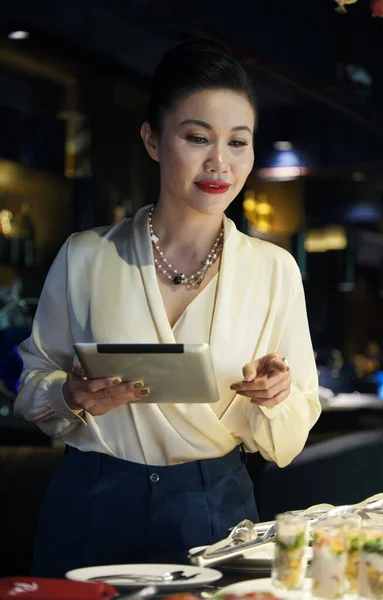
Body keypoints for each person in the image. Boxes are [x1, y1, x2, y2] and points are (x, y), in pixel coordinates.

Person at [14, 38, 321, 577]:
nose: (219, 163)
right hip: (92, 496)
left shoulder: (274, 270)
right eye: (197, 137)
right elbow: (33, 380)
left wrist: (275, 396)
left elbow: (294, 428)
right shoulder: (86, 255)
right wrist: (69, 393)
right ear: (153, 140)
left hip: (215, 505)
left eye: (238, 142)